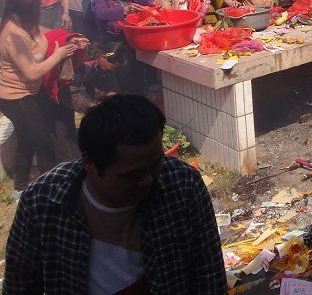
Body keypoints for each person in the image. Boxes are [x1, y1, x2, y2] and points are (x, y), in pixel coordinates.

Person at [4, 93, 227, 293]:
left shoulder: (182, 185)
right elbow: (20, 285)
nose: (148, 180)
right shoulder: (44, 200)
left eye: (156, 164)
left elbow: (209, 275)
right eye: (132, 174)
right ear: (89, 162)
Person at [0, 0, 80, 198]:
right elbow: (32, 72)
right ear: (26, 4)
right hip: (15, 97)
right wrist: (58, 55)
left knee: (27, 139)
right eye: (37, 2)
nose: (41, 6)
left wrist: (70, 40)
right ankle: (50, 194)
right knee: (43, 142)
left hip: (32, 92)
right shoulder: (12, 34)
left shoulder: (26, 23)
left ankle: (20, 186)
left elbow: (45, 36)